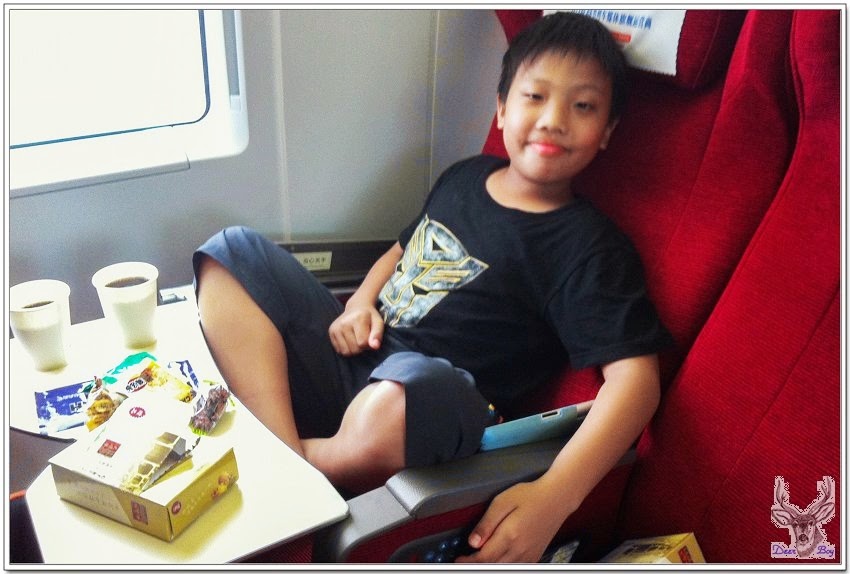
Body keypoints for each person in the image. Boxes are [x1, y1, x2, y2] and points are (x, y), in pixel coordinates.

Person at [193, 11, 672, 563]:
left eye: (583, 106)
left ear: (607, 131)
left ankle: (298, 470)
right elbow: (402, 252)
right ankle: (286, 455)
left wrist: (554, 496)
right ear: (502, 107)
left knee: (415, 389)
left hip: (436, 403)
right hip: (357, 359)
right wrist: (360, 303)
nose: (553, 120)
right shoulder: (465, 176)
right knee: (231, 251)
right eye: (535, 97)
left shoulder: (588, 246)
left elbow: (637, 383)